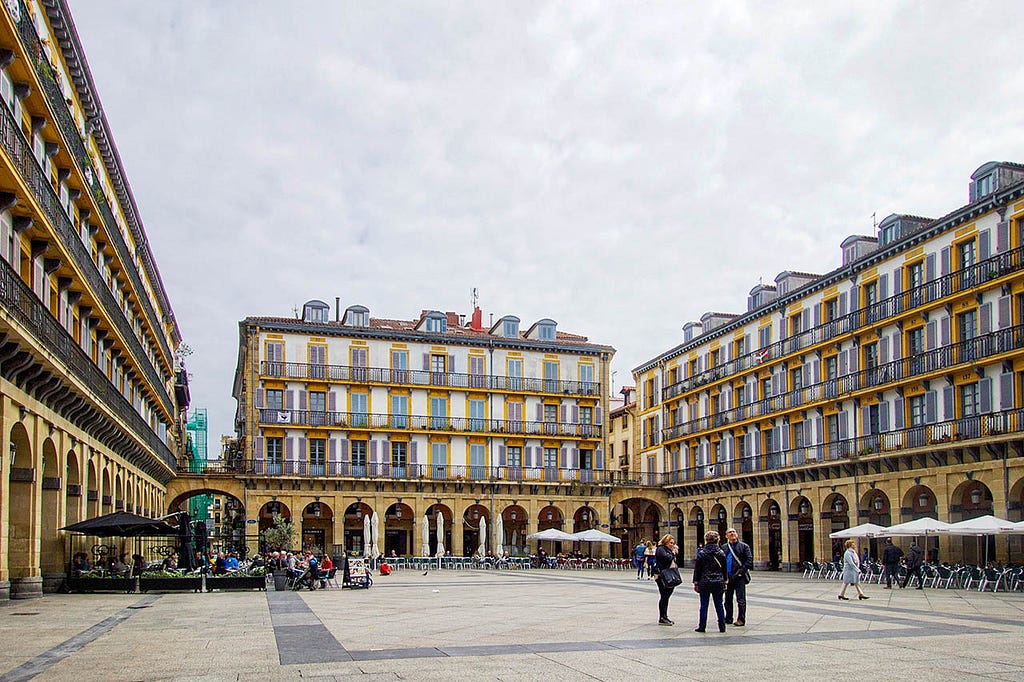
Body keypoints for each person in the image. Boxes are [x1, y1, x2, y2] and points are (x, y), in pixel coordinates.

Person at [692, 531, 727, 633]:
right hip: (718, 581)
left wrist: (696, 582)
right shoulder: (721, 553)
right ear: (717, 540)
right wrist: (725, 581)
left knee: (704, 605)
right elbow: (724, 569)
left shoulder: (702, 553)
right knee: (719, 604)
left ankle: (702, 626)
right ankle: (722, 626)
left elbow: (697, 570)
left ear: (706, 540)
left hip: (704, 581)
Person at [722, 528, 753, 627]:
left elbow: (748, 560)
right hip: (728, 577)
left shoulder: (744, 546)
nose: (732, 534)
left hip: (740, 577)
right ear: (726, 536)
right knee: (727, 599)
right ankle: (728, 618)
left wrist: (740, 572)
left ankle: (741, 619)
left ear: (737, 534)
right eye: (729, 532)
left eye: (733, 532)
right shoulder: (724, 547)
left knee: (741, 599)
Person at [653, 534, 679, 625]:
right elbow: (666, 558)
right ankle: (662, 617)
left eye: (673, 543)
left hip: (668, 574)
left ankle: (664, 616)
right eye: (671, 543)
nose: (672, 544)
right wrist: (673, 552)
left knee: (666, 596)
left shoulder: (667, 549)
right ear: (666, 542)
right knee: (664, 596)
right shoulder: (661, 549)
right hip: (662, 576)